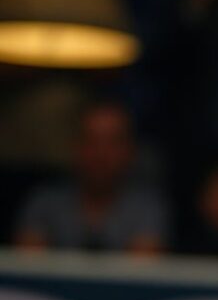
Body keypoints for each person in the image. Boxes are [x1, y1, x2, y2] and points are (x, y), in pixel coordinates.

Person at [14, 99, 168, 255]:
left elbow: (142, 272)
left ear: (130, 151)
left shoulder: (147, 208)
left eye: (112, 142)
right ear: (75, 146)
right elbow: (29, 268)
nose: (101, 154)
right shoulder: (44, 202)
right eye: (92, 141)